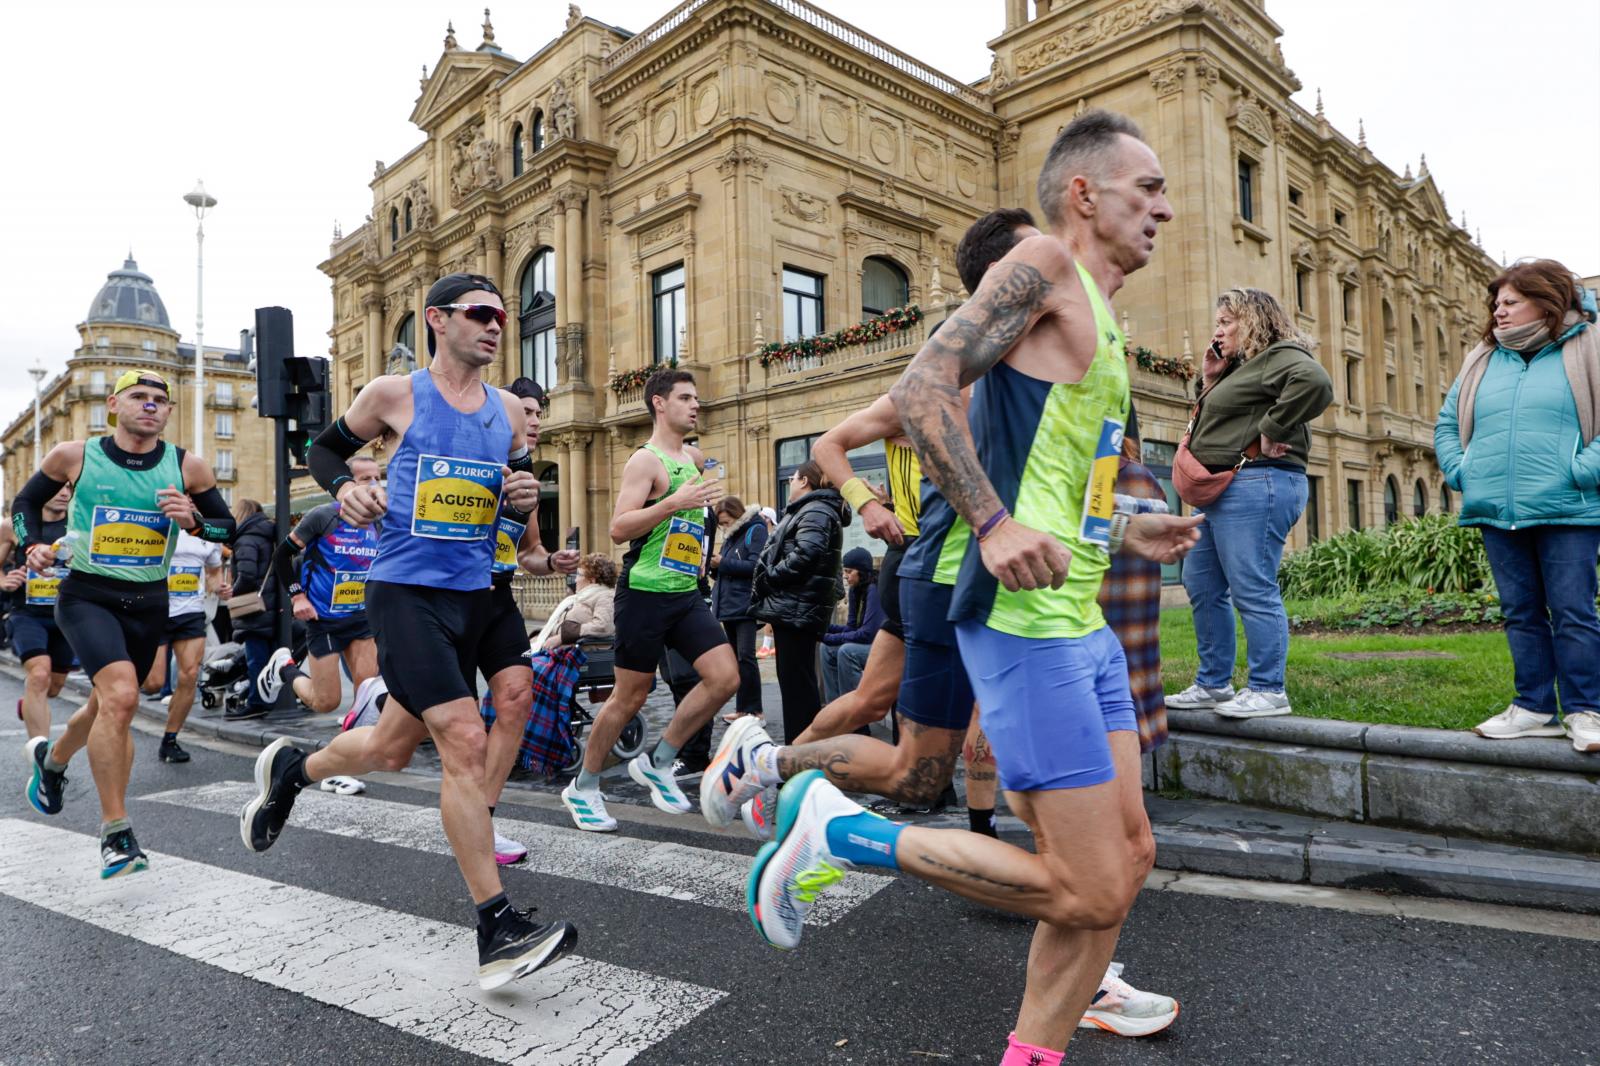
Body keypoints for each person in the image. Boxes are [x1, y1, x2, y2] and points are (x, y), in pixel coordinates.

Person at [716, 112, 1202, 1064]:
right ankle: (837, 833)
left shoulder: (1102, 321)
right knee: (1088, 885)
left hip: (1083, 623)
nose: (1167, 210)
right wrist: (991, 522)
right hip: (1025, 626)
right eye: (1148, 189)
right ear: (1085, 194)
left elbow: (1071, 480)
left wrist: (1129, 531)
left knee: (1129, 859)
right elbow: (925, 381)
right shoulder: (1043, 268)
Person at [237, 273, 577, 990]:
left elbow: (514, 490)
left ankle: (296, 771)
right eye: (480, 314)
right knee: (463, 737)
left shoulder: (511, 410)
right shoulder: (396, 394)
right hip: (408, 594)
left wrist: (518, 492)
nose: (494, 326)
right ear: (437, 320)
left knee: (412, 740)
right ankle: (497, 929)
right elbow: (325, 452)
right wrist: (347, 488)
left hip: (482, 593)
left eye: (501, 316)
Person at [15, 369, 235, 876]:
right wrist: (31, 545)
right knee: (121, 698)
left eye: (161, 400)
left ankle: (51, 762)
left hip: (149, 600)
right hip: (88, 594)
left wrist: (195, 520)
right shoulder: (75, 456)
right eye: (139, 397)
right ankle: (116, 833)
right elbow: (26, 503)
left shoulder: (188, 467)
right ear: (114, 404)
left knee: (103, 703)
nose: (151, 406)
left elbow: (228, 526)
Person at [559, 367, 738, 832]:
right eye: (684, 397)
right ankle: (585, 785)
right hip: (643, 594)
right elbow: (620, 527)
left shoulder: (695, 458)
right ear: (659, 403)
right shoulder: (646, 461)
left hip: (685, 593)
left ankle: (659, 760)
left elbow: (691, 524)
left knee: (725, 678)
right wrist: (672, 504)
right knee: (630, 697)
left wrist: (702, 548)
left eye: (696, 397)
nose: (695, 405)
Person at [1436, 259, 1600, 755]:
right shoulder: (1482, 358)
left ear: (1546, 300)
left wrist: (1583, 470)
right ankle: (1533, 708)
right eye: (1496, 303)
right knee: (1520, 612)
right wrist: (1462, 472)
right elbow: (1447, 424)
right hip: (1495, 507)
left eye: (1510, 302)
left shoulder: (1589, 347)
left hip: (1567, 507)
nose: (1499, 312)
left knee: (1572, 611)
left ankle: (1585, 711)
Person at [1166, 288, 1332, 719]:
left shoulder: (1280, 355)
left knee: (1251, 588)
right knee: (1201, 582)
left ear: (1254, 320)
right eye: (1217, 322)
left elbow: (1315, 383)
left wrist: (1272, 428)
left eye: (1226, 321)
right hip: (1230, 489)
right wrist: (1211, 379)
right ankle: (1214, 683)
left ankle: (1268, 689)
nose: (1218, 331)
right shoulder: (1242, 367)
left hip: (1260, 482)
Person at [255, 455, 384, 716]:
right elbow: (281, 555)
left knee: (366, 699)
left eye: (377, 478)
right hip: (324, 619)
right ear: (349, 483)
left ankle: (355, 753)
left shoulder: (381, 521)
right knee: (326, 702)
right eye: (365, 478)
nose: (373, 484)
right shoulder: (323, 517)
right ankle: (284, 668)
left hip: (362, 618)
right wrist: (298, 598)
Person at [750, 459, 848, 743]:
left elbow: (807, 554)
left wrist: (770, 577)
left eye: (792, 478)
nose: (790, 482)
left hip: (797, 609)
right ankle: (800, 753)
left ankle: (799, 757)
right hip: (797, 608)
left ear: (804, 481)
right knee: (798, 686)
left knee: (798, 690)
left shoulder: (815, 509)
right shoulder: (814, 509)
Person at [140, 527, 225, 762]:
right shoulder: (156, 525)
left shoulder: (207, 535)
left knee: (189, 676)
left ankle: (170, 739)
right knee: (154, 683)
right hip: (156, 610)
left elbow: (215, 570)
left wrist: (218, 586)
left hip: (191, 611)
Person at [3, 483, 74, 744]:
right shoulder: (13, 526)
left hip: (67, 617)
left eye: (69, 488)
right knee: (39, 674)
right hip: (27, 615)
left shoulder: (79, 524)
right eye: (58, 487)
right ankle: (40, 755)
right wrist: (4, 581)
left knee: (52, 688)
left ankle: (30, 701)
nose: (64, 493)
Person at [710, 498, 767, 722]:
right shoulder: (732, 535)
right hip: (729, 605)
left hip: (746, 605)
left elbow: (756, 566)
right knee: (737, 660)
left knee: (746, 658)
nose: (724, 526)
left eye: (726, 521)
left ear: (737, 515)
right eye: (721, 524)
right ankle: (743, 710)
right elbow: (726, 570)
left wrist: (722, 563)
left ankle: (755, 712)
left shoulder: (756, 530)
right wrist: (713, 568)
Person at [228, 498, 280, 721]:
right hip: (273, 604)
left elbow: (247, 575)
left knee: (256, 659)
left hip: (254, 609)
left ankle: (257, 701)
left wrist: (233, 592)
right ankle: (272, 698)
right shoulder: (271, 535)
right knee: (273, 657)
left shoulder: (246, 538)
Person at [820, 547, 884, 703]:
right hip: (867, 643)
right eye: (844, 571)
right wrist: (824, 627)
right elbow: (851, 628)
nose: (845, 575)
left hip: (881, 647)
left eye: (849, 571)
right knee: (826, 648)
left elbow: (867, 634)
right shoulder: (855, 590)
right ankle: (834, 708)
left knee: (847, 651)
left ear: (861, 571)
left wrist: (827, 636)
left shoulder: (874, 589)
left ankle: (855, 715)